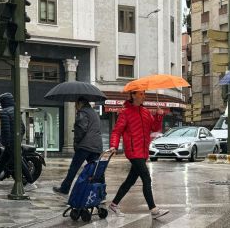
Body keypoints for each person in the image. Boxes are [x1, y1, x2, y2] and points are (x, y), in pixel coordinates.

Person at [108, 90, 169, 219]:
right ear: (133, 95)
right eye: (141, 94)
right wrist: (114, 145)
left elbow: (154, 128)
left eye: (144, 94)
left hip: (143, 151)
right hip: (133, 150)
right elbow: (116, 131)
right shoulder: (125, 113)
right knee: (146, 178)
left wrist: (159, 116)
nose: (144, 96)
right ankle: (154, 210)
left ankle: (114, 204)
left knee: (130, 180)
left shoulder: (146, 112)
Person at [53, 97, 103, 196]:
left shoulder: (83, 112)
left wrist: (76, 143)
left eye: (76, 104)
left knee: (74, 168)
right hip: (96, 146)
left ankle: (64, 188)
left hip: (85, 146)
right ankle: (100, 192)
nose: (75, 106)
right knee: (96, 170)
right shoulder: (94, 113)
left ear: (80, 103)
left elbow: (81, 129)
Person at [0, 93, 27, 189]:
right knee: (2, 161)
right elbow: (23, 128)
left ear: (3, 101)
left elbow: (5, 130)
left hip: (10, 142)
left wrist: (5, 142)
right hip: (14, 141)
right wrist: (18, 139)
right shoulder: (16, 111)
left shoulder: (4, 112)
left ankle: (30, 182)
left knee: (19, 161)